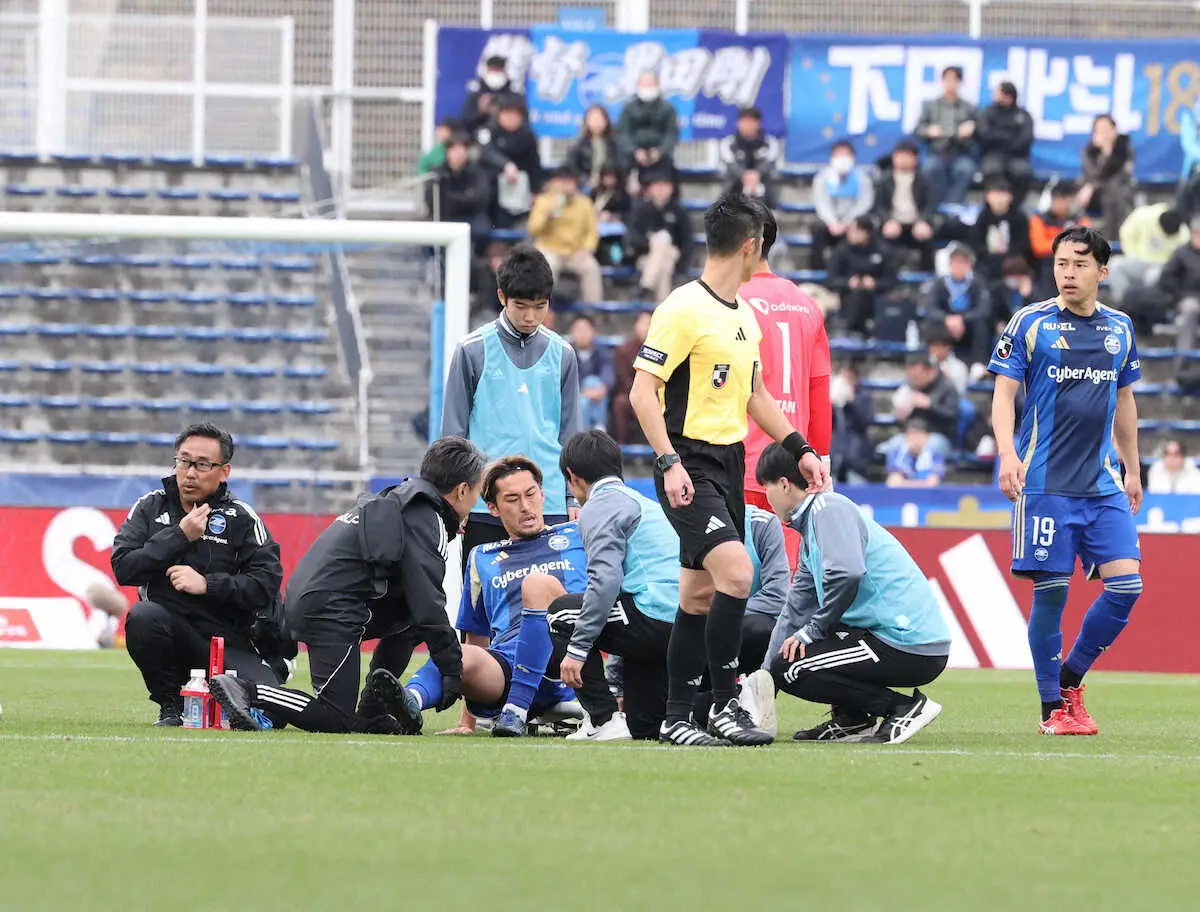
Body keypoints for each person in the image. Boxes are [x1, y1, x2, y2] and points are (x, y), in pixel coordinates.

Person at [630, 191, 829, 746]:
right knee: (739, 575)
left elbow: (757, 395)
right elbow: (643, 393)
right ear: (751, 246)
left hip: (729, 462)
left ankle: (674, 719)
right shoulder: (681, 309)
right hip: (687, 463)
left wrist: (801, 447)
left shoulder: (743, 314)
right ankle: (723, 704)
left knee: (696, 597)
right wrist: (668, 460)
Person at [207, 436, 485, 734]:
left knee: (411, 620)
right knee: (335, 716)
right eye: (477, 493)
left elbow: (418, 603)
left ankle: (371, 713)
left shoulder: (401, 498)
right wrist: (452, 670)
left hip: (319, 599)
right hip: (331, 608)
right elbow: (429, 602)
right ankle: (248, 691)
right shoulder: (426, 517)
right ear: (462, 490)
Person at [989, 226, 1143, 736]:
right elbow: (1004, 394)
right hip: (1044, 485)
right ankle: (1051, 707)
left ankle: (1071, 679)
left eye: (1079, 264)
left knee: (1127, 587)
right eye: (1061, 263)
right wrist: (1007, 453)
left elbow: (1124, 401)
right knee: (1051, 596)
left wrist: (1133, 467)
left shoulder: (1120, 328)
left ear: (1103, 271)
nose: (1068, 273)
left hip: (1102, 486)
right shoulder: (1030, 322)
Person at [756, 443, 950, 744]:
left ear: (783, 484)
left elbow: (848, 574)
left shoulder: (828, 508)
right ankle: (853, 720)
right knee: (789, 658)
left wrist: (812, 632)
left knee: (792, 667)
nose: (766, 498)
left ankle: (904, 707)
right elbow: (793, 612)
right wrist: (764, 682)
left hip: (904, 641)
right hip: (890, 639)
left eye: (766, 487)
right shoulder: (812, 530)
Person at [112, 423, 288, 726]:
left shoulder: (241, 517)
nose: (190, 472)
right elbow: (124, 567)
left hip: (230, 641)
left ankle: (240, 691)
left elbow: (266, 583)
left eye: (203, 464)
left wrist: (208, 585)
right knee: (143, 616)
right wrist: (179, 536)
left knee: (273, 714)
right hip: (172, 633)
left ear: (224, 471)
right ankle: (171, 706)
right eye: (184, 461)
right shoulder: (150, 507)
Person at [400, 457, 585, 738]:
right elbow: (477, 638)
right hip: (506, 672)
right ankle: (409, 699)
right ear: (493, 508)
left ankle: (517, 710)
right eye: (512, 499)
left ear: (543, 495)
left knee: (536, 585)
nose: (525, 506)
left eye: (531, 494)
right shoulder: (482, 557)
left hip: (566, 661)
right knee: (459, 654)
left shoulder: (577, 534)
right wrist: (468, 723)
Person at [442, 247, 582, 559]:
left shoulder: (564, 354)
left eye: (539, 306)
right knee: (484, 606)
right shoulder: (471, 350)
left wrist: (573, 497)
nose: (530, 316)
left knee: (551, 605)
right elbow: (453, 434)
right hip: (485, 506)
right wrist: (454, 499)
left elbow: (570, 433)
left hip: (548, 506)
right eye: (521, 306)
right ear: (502, 297)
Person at [547, 430, 680, 741]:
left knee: (561, 614)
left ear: (571, 476)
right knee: (645, 728)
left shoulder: (599, 505)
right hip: (681, 622)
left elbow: (605, 581)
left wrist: (578, 650)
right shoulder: (641, 501)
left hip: (653, 616)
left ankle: (602, 718)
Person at [740, 202, 833, 569]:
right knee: (786, 587)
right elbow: (819, 392)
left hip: (741, 463)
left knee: (734, 587)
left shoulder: (729, 301)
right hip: (797, 469)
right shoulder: (806, 304)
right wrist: (820, 460)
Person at [527, 167, 603, 304]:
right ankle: (541, 311)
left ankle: (592, 315)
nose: (565, 186)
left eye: (569, 182)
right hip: (549, 249)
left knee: (591, 267)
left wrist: (587, 249)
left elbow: (592, 232)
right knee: (548, 265)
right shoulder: (544, 201)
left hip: (576, 252)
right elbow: (533, 229)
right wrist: (548, 215)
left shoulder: (585, 203)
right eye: (562, 181)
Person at [920, 242, 994, 369]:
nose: (958, 267)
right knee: (931, 324)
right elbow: (930, 307)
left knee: (981, 326)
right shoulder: (940, 283)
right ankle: (934, 360)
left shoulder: (977, 283)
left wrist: (963, 319)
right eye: (955, 263)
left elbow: (983, 309)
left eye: (962, 263)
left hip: (968, 324)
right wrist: (947, 319)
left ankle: (978, 365)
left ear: (969, 265)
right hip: (945, 323)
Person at [626, 164, 692, 303]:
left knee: (664, 239)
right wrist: (649, 243)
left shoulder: (678, 211)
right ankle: (662, 307)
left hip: (673, 253)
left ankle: (645, 286)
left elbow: (686, 241)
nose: (661, 190)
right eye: (657, 185)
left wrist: (682, 266)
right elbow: (633, 238)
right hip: (645, 256)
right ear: (650, 189)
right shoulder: (641, 211)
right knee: (665, 265)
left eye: (665, 185)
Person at [914, 66, 978, 206]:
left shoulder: (969, 107)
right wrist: (928, 131)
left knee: (965, 169)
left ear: (959, 83)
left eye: (954, 80)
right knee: (930, 169)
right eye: (947, 80)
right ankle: (935, 206)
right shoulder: (931, 106)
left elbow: (981, 130)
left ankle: (952, 206)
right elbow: (917, 129)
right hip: (937, 151)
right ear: (942, 82)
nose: (951, 84)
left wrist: (972, 128)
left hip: (961, 152)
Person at [826, 216, 900, 337]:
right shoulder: (842, 251)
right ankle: (852, 331)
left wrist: (875, 283)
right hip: (848, 297)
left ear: (865, 233)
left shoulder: (883, 251)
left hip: (877, 298)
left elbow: (892, 280)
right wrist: (847, 283)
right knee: (857, 297)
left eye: (855, 231)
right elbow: (831, 279)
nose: (850, 234)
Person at [479, 96, 543, 228]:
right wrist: (506, 165)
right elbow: (486, 153)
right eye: (507, 114)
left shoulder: (527, 136)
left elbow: (534, 165)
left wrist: (536, 191)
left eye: (515, 115)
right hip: (491, 190)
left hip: (519, 191)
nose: (511, 119)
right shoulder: (487, 131)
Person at [1106, 204, 1187, 307]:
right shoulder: (1143, 215)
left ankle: (1146, 307)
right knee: (1116, 264)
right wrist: (1131, 253)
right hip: (1138, 260)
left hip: (1163, 266)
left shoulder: (1183, 233)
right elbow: (1126, 232)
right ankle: (1123, 305)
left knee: (1153, 276)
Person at [874, 139, 937, 270]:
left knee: (927, 237)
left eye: (907, 156)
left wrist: (923, 221)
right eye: (899, 156)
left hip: (916, 223)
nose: (902, 160)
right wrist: (887, 221)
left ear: (915, 159)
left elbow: (930, 205)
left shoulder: (924, 181)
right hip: (893, 223)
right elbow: (879, 206)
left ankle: (927, 274)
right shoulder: (884, 180)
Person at [426, 133, 492, 256]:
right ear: (447, 152)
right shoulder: (437, 173)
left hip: (471, 218)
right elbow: (433, 200)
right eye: (454, 149)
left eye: (462, 149)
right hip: (445, 218)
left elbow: (480, 198)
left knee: (482, 231)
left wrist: (453, 198)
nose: (459, 153)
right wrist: (464, 197)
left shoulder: (477, 172)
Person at [812, 139, 875, 265]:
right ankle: (818, 270)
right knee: (818, 230)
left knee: (866, 229)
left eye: (846, 155)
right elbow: (821, 203)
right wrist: (832, 222)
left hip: (854, 221)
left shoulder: (863, 178)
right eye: (839, 154)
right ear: (832, 157)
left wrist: (848, 222)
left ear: (853, 157)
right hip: (830, 223)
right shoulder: (822, 178)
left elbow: (865, 202)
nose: (842, 158)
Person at [962, 176, 1032, 283]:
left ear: (1010, 197)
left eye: (1002, 194)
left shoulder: (1019, 217)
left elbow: (1024, 244)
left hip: (1012, 262)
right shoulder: (983, 216)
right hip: (987, 261)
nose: (999, 199)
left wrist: (1007, 252)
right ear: (988, 197)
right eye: (995, 194)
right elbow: (975, 242)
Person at [1029, 180, 1091, 293]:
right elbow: (1039, 247)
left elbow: (1087, 243)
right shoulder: (1039, 219)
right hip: (1047, 267)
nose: (1058, 202)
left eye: (1063, 198)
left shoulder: (1080, 219)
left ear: (1070, 200)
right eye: (1055, 198)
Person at [616, 71, 679, 182]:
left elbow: (671, 134)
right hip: (632, 158)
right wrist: (634, 151)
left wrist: (660, 151)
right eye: (644, 85)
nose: (647, 88)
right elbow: (623, 133)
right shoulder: (628, 108)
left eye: (650, 85)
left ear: (657, 86)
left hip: (661, 159)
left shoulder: (668, 109)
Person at [977, 81, 1034, 202]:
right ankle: (993, 206)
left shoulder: (1023, 115)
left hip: (1016, 155)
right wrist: (1007, 136)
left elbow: (1025, 138)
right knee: (992, 170)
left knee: (1022, 172)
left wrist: (1002, 138)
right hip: (993, 154)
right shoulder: (987, 113)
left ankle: (1016, 205)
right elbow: (985, 134)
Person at [1078, 114, 1135, 236]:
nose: (1104, 134)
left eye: (1107, 129)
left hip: (1117, 191)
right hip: (1093, 193)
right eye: (1100, 130)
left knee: (1114, 187)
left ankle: (1113, 239)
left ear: (1115, 130)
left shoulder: (1124, 147)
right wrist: (1104, 155)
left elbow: (1121, 172)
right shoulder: (1088, 151)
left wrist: (1107, 152)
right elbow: (1092, 173)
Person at [892, 353, 958, 452]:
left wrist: (930, 405)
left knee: (932, 447)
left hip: (937, 436)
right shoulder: (908, 388)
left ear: (931, 371)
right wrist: (901, 416)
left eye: (918, 375)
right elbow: (900, 422)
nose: (914, 379)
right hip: (910, 436)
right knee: (891, 447)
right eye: (911, 376)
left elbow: (953, 416)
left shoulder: (947, 387)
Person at [718, 106, 781, 209]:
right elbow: (730, 164)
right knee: (730, 180)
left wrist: (756, 174)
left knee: (769, 181)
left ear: (758, 123)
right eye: (744, 121)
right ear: (738, 123)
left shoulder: (771, 142)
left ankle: (771, 214)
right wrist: (745, 176)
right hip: (736, 186)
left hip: (762, 184)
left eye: (751, 122)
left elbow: (769, 162)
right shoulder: (728, 143)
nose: (748, 125)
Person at [1158, 215, 1200, 355]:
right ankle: (1184, 360)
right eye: (1197, 233)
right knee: (1190, 308)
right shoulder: (1181, 254)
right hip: (1186, 298)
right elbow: (1167, 279)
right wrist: (1180, 296)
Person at [830, 364, 875, 484]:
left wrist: (851, 402)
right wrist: (830, 403)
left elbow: (865, 420)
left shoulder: (864, 396)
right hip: (833, 458)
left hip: (856, 461)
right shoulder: (830, 399)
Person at [610, 310, 651, 444]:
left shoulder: (662, 348)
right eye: (643, 323)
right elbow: (623, 379)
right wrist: (637, 396)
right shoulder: (624, 350)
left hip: (655, 395)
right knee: (620, 403)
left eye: (649, 323)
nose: (646, 327)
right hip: (630, 394)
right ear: (636, 325)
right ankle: (623, 445)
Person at [569, 315, 615, 430]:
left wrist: (602, 388)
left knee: (592, 382)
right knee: (583, 401)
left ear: (593, 332)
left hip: (599, 394)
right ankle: (598, 428)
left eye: (585, 330)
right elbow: (567, 379)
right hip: (575, 395)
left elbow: (608, 374)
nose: (582, 334)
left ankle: (584, 433)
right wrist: (583, 392)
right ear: (572, 333)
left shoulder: (602, 352)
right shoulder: (567, 353)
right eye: (578, 330)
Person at [462, 55, 518, 135]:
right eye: (493, 71)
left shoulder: (514, 98)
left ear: (505, 72)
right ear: (487, 71)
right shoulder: (475, 96)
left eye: (498, 71)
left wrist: (502, 113)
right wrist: (480, 112)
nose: (495, 75)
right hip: (478, 139)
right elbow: (464, 124)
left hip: (507, 141)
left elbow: (523, 127)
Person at [568, 104, 620, 190]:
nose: (596, 123)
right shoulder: (578, 144)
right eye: (593, 119)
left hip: (609, 188)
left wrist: (613, 176)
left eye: (599, 119)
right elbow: (572, 167)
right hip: (584, 187)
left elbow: (620, 164)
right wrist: (584, 180)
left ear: (606, 121)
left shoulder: (615, 143)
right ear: (586, 122)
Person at [886, 418, 947, 488]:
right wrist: (921, 484)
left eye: (919, 436)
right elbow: (894, 482)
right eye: (912, 436)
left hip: (927, 495)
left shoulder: (935, 455)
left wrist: (905, 484)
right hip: (902, 494)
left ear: (926, 437)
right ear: (906, 437)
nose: (915, 440)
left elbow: (933, 482)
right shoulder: (896, 454)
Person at [926, 324, 969, 395]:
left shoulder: (959, 367)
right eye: (934, 346)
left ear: (949, 346)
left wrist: (945, 379)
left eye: (941, 346)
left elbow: (960, 393)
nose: (937, 350)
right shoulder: (922, 365)